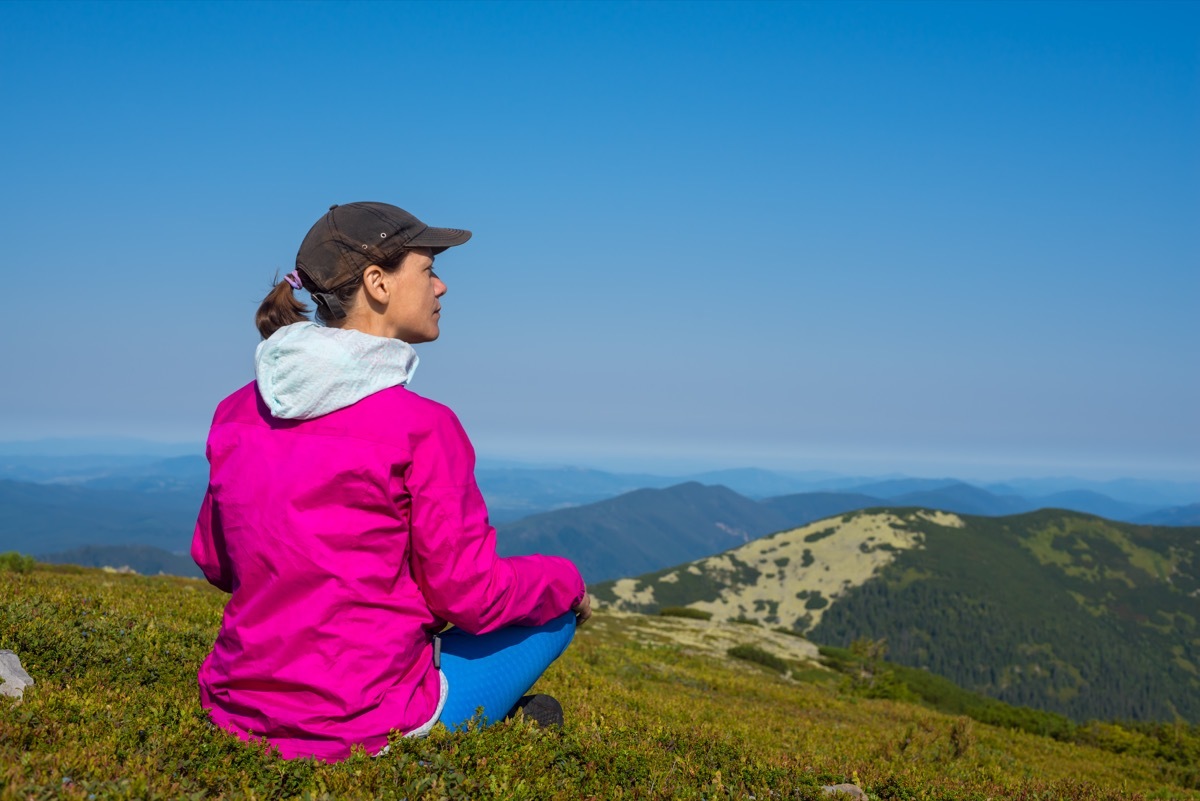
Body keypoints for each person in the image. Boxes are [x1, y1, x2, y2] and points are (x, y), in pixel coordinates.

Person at [191, 201, 591, 763]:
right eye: (427, 269)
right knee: (553, 612)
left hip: (235, 704)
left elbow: (215, 561)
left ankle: (497, 716)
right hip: (363, 720)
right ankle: (479, 722)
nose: (442, 286)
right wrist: (566, 579)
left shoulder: (235, 411)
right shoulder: (423, 427)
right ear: (378, 284)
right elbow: (469, 596)